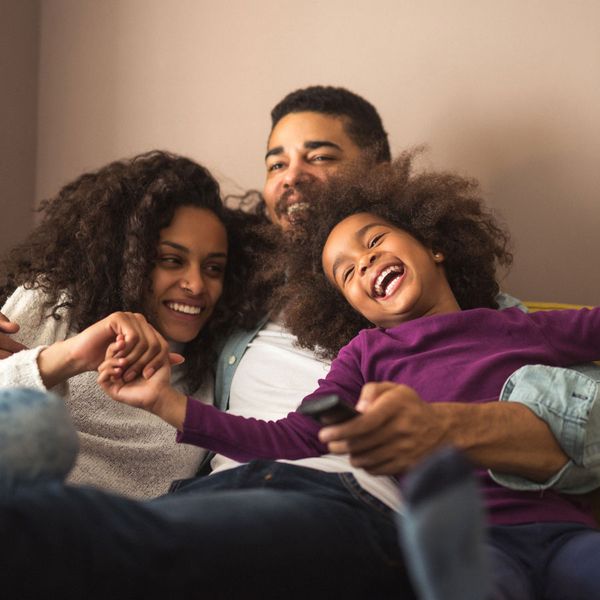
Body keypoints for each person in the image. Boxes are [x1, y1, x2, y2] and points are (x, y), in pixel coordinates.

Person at [0, 86, 598, 598]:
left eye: (319, 155)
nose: (292, 175)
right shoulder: (222, 299)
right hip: (221, 493)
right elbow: (116, 284)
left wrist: (443, 427)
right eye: (275, 162)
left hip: (349, 504)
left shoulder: (502, 323)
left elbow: (589, 427)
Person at [0, 149, 254, 498]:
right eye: (171, 260)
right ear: (130, 258)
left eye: (213, 268)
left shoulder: (205, 376)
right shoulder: (54, 303)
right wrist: (72, 356)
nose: (196, 285)